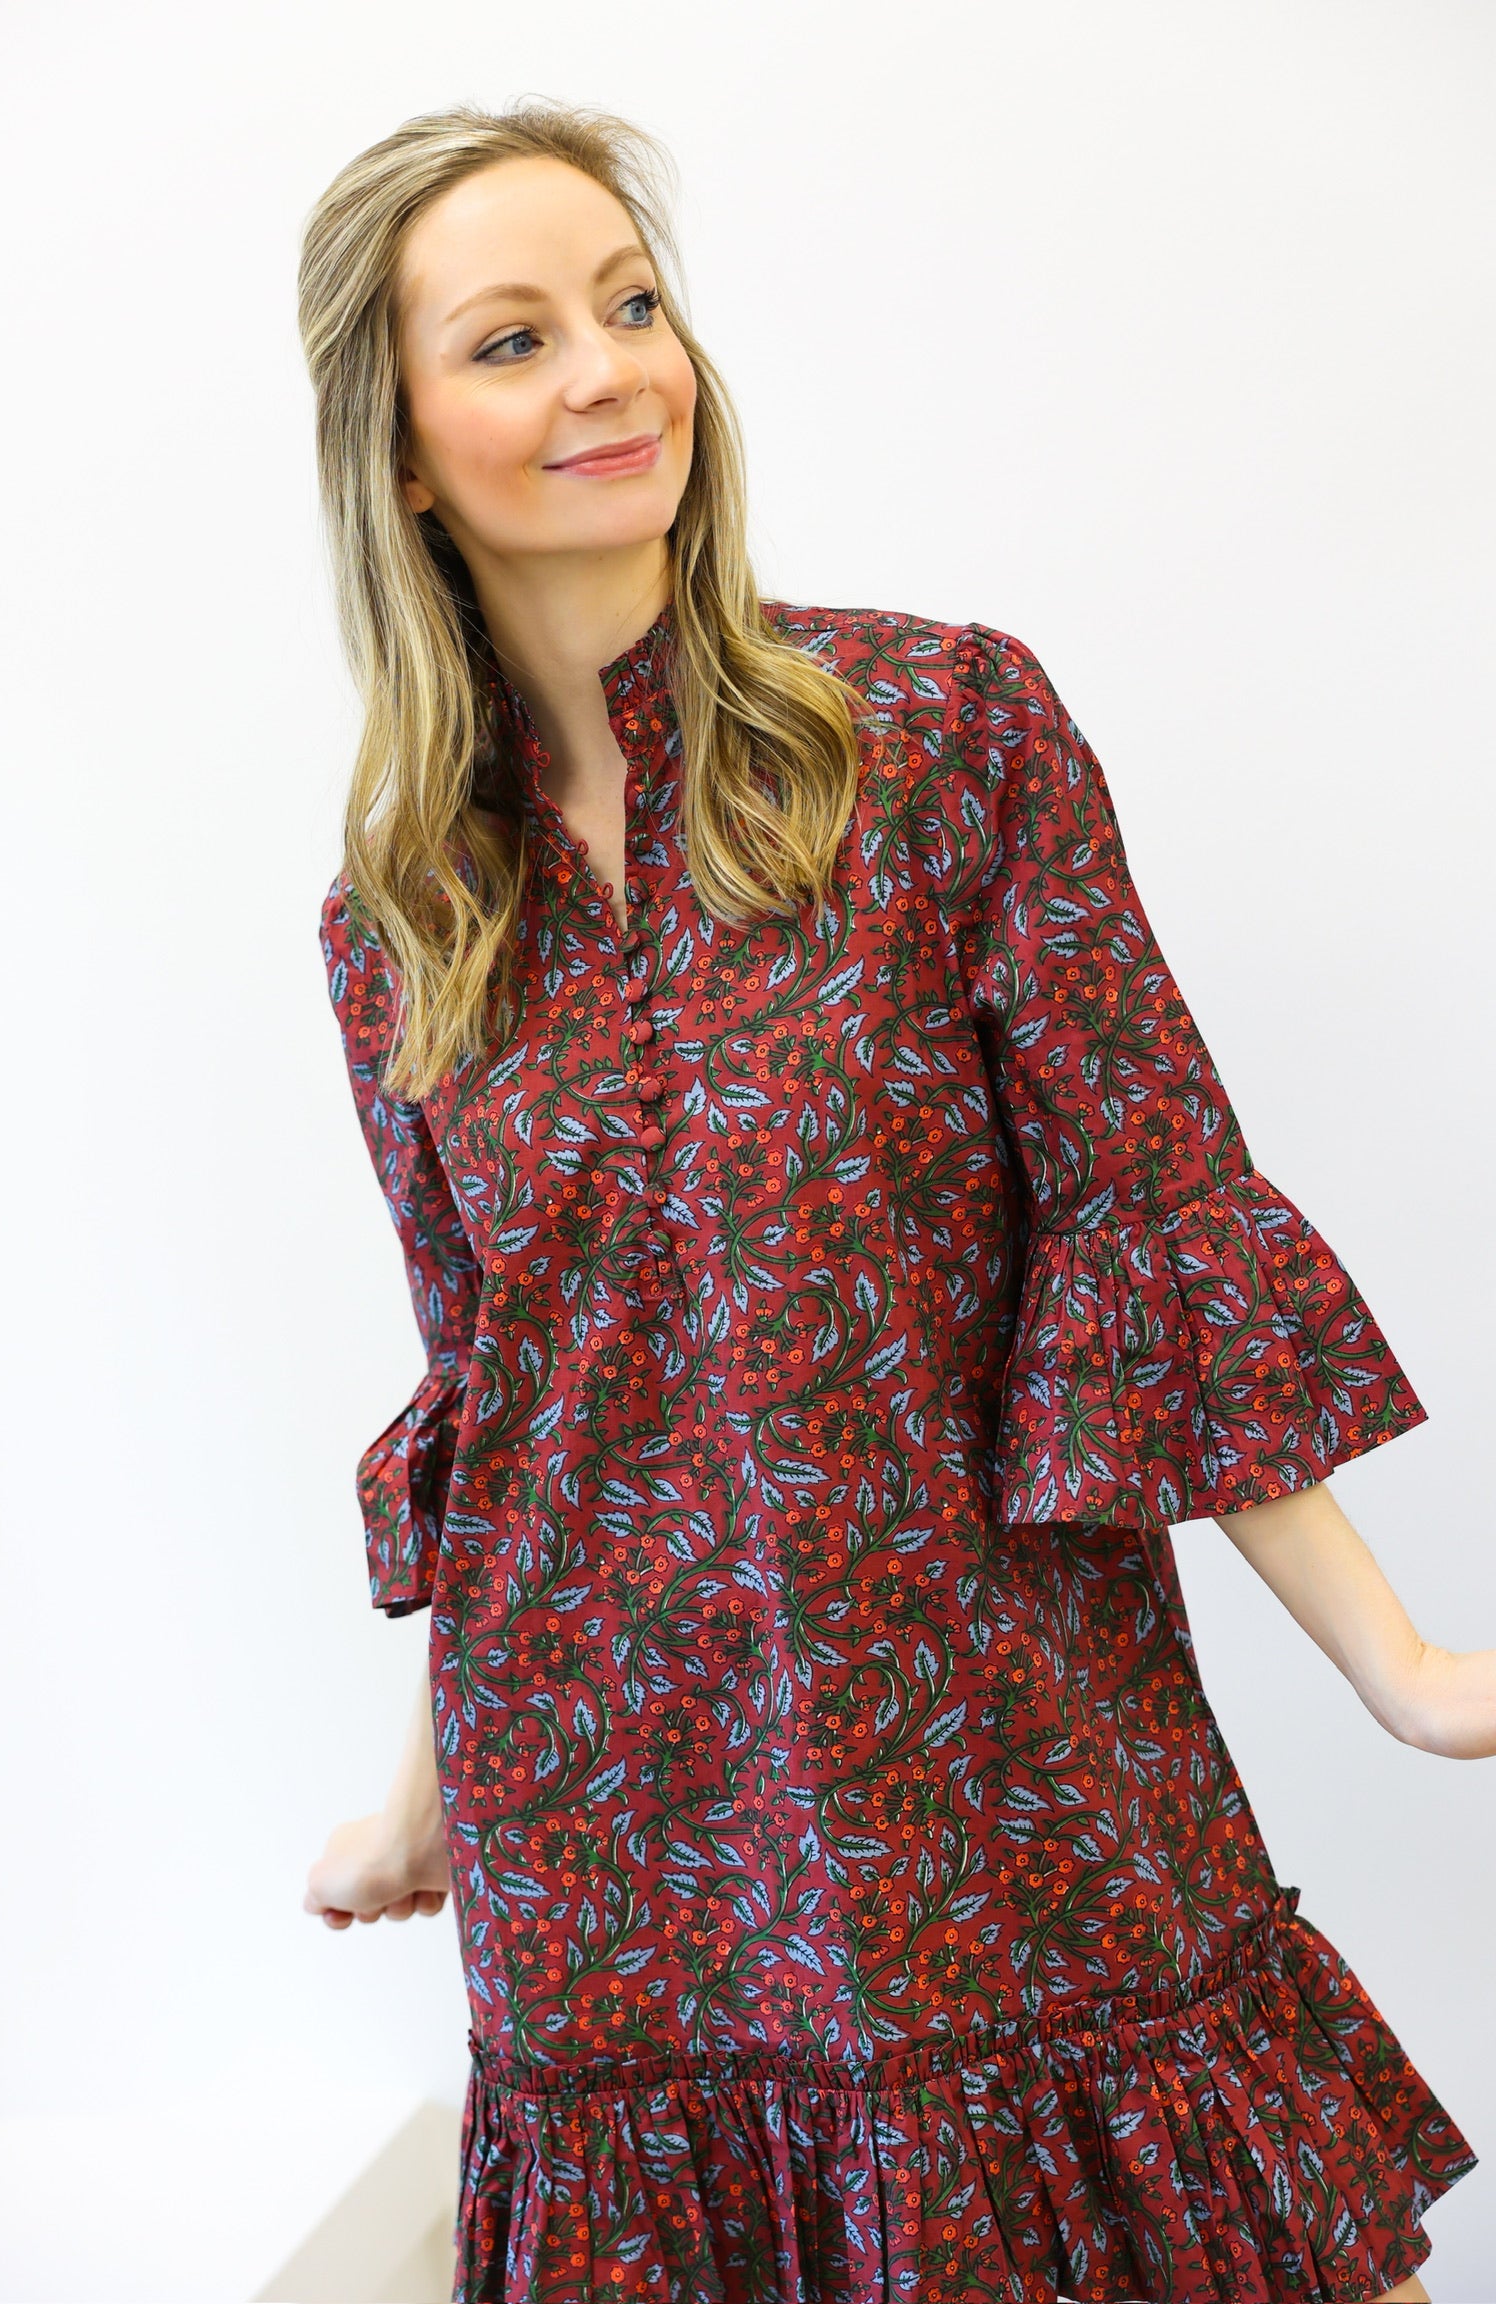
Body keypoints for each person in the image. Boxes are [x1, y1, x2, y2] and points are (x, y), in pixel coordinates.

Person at [295, 98, 1488, 2304]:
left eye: (633, 306)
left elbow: (1151, 1221)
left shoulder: (941, 735)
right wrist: (423, 1814)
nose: (605, 373)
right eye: (516, 337)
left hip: (1008, 1765)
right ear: (398, 451)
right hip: (623, 1868)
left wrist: (1398, 1668)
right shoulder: (404, 923)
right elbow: (506, 1405)